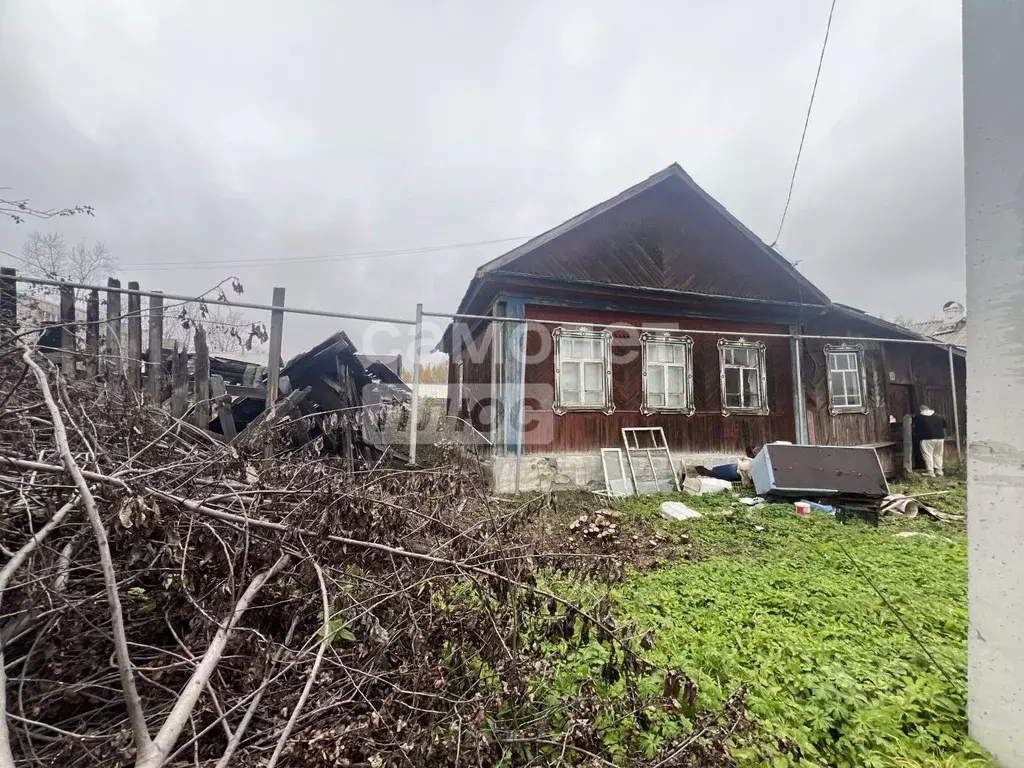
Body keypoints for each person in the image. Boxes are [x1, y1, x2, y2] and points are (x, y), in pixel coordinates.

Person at [913, 404, 947, 477]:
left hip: (926, 439)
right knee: (938, 455)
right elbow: (944, 426)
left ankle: (930, 472)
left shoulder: (919, 417)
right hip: (940, 438)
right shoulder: (939, 417)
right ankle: (939, 471)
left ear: (921, 410)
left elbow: (916, 428)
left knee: (928, 455)